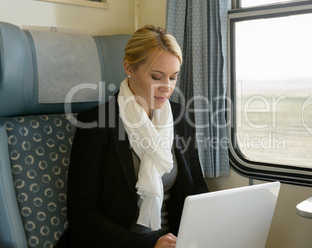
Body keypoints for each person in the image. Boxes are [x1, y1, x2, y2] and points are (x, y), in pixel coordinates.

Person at [57, 25, 209, 248]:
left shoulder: (179, 117)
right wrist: (148, 244)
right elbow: (82, 213)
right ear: (129, 67)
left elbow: (196, 186)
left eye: (173, 77)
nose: (167, 88)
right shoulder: (96, 123)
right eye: (157, 77)